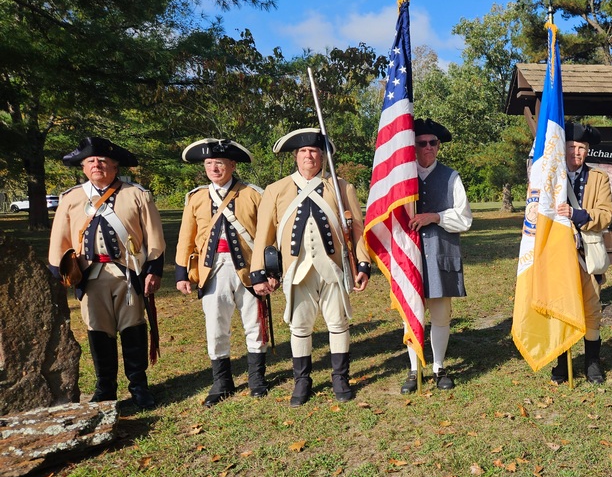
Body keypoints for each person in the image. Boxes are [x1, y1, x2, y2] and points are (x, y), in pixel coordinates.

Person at [250, 128, 371, 406]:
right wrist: (259, 272)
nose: (309, 156)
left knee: (338, 323)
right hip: (297, 269)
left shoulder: (341, 187)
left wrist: (362, 264)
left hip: (333, 268)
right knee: (300, 326)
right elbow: (263, 235)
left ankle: (340, 377)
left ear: (322, 156)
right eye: (303, 151)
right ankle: (302, 380)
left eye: (314, 151)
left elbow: (358, 231)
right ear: (295, 156)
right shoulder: (275, 190)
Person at [48, 136, 165, 408]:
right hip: (90, 275)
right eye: (91, 161)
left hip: (128, 273)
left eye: (103, 161)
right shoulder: (71, 198)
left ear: (115, 166)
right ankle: (106, 389)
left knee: (133, 327)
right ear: (83, 168)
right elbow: (60, 238)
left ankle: (138, 387)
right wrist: (59, 272)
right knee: (98, 330)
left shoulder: (136, 194)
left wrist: (153, 270)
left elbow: (155, 237)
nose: (97, 165)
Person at [175, 138, 268, 406]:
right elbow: (186, 238)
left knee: (254, 324)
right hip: (211, 270)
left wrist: (268, 271)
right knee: (216, 326)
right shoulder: (196, 198)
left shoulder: (252, 194)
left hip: (250, 270)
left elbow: (266, 236)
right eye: (209, 163)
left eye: (219, 163)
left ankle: (257, 379)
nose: (214, 168)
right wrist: (182, 274)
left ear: (232, 165)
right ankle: (222, 381)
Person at [399, 118, 473, 394]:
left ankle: (439, 366)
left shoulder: (451, 176)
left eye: (433, 143)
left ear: (439, 146)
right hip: (410, 258)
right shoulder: (401, 178)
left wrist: (436, 217)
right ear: (413, 146)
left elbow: (464, 219)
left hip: (441, 253)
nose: (428, 147)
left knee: (441, 315)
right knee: (411, 315)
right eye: (422, 143)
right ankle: (414, 368)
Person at [550, 121, 612, 385]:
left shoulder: (599, 178)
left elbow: (606, 214)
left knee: (591, 309)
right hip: (557, 253)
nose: (576, 152)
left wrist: (577, 214)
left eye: (582, 148)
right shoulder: (550, 177)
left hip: (586, 253)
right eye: (572, 147)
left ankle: (592, 363)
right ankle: (562, 362)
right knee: (560, 306)